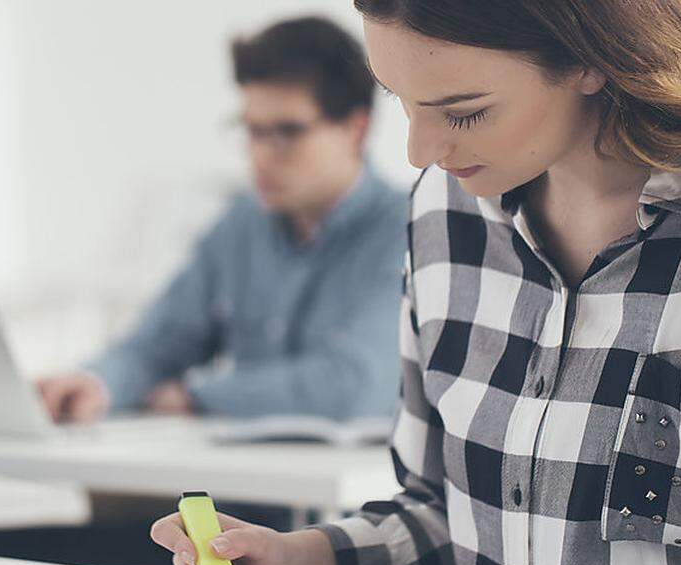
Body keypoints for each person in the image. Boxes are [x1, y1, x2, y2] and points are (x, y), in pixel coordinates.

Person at [151, 0, 681, 565]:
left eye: (462, 113)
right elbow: (441, 512)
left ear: (591, 55)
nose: (419, 150)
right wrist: (311, 558)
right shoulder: (444, 208)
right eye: (401, 103)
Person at [38, 17, 408, 424]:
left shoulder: (406, 229)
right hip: (232, 480)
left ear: (356, 129)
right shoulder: (240, 225)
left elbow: (356, 387)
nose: (260, 156)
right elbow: (158, 343)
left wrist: (197, 395)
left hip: (346, 486)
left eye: (286, 133)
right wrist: (96, 383)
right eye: (251, 131)